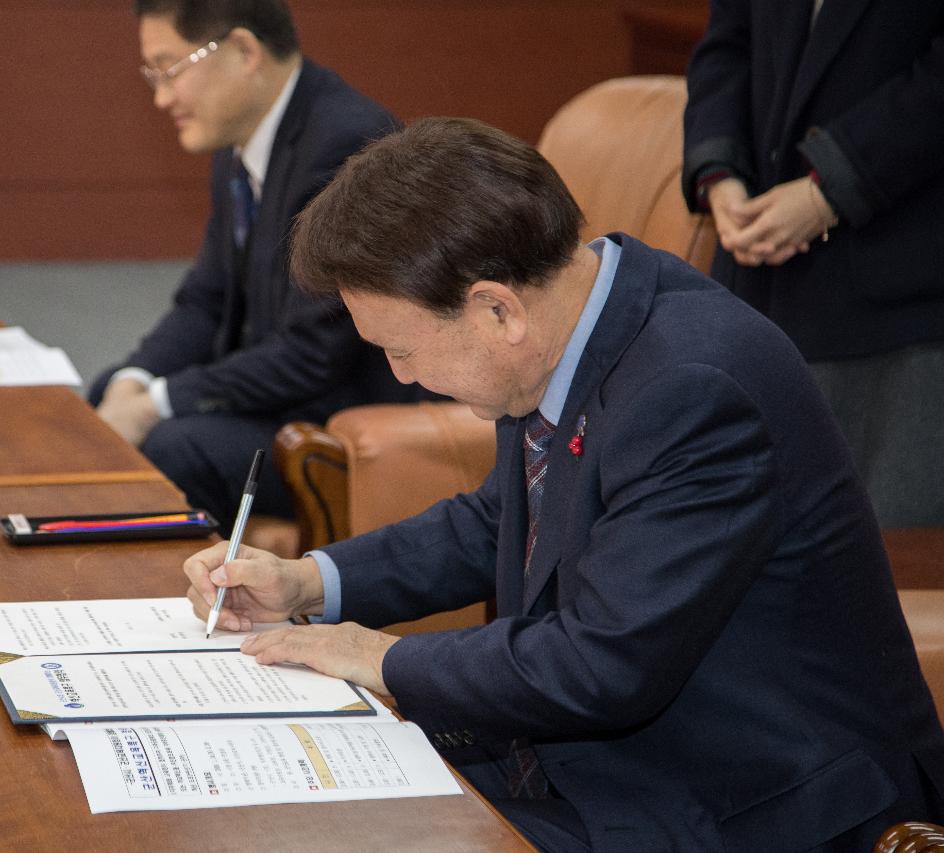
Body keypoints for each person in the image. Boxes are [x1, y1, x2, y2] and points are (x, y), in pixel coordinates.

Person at [181, 118, 944, 851]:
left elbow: (601, 664)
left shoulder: (694, 388)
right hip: (602, 763)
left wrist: (374, 656)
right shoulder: (573, 324)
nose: (401, 375)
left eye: (402, 348)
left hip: (751, 802)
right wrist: (307, 581)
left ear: (496, 309)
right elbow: (494, 523)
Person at [89, 0, 415, 532]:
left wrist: (154, 404)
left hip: (342, 421)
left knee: (175, 445)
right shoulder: (241, 138)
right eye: (153, 75)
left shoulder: (346, 145)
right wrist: (134, 382)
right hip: (286, 393)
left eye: (171, 69)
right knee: (106, 389)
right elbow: (205, 301)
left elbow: (314, 354)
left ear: (243, 51)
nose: (161, 96)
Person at [682, 2, 944, 526]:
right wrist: (720, 173)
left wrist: (832, 190)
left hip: (903, 308)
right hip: (754, 289)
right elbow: (727, 42)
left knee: (889, 562)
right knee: (733, 557)